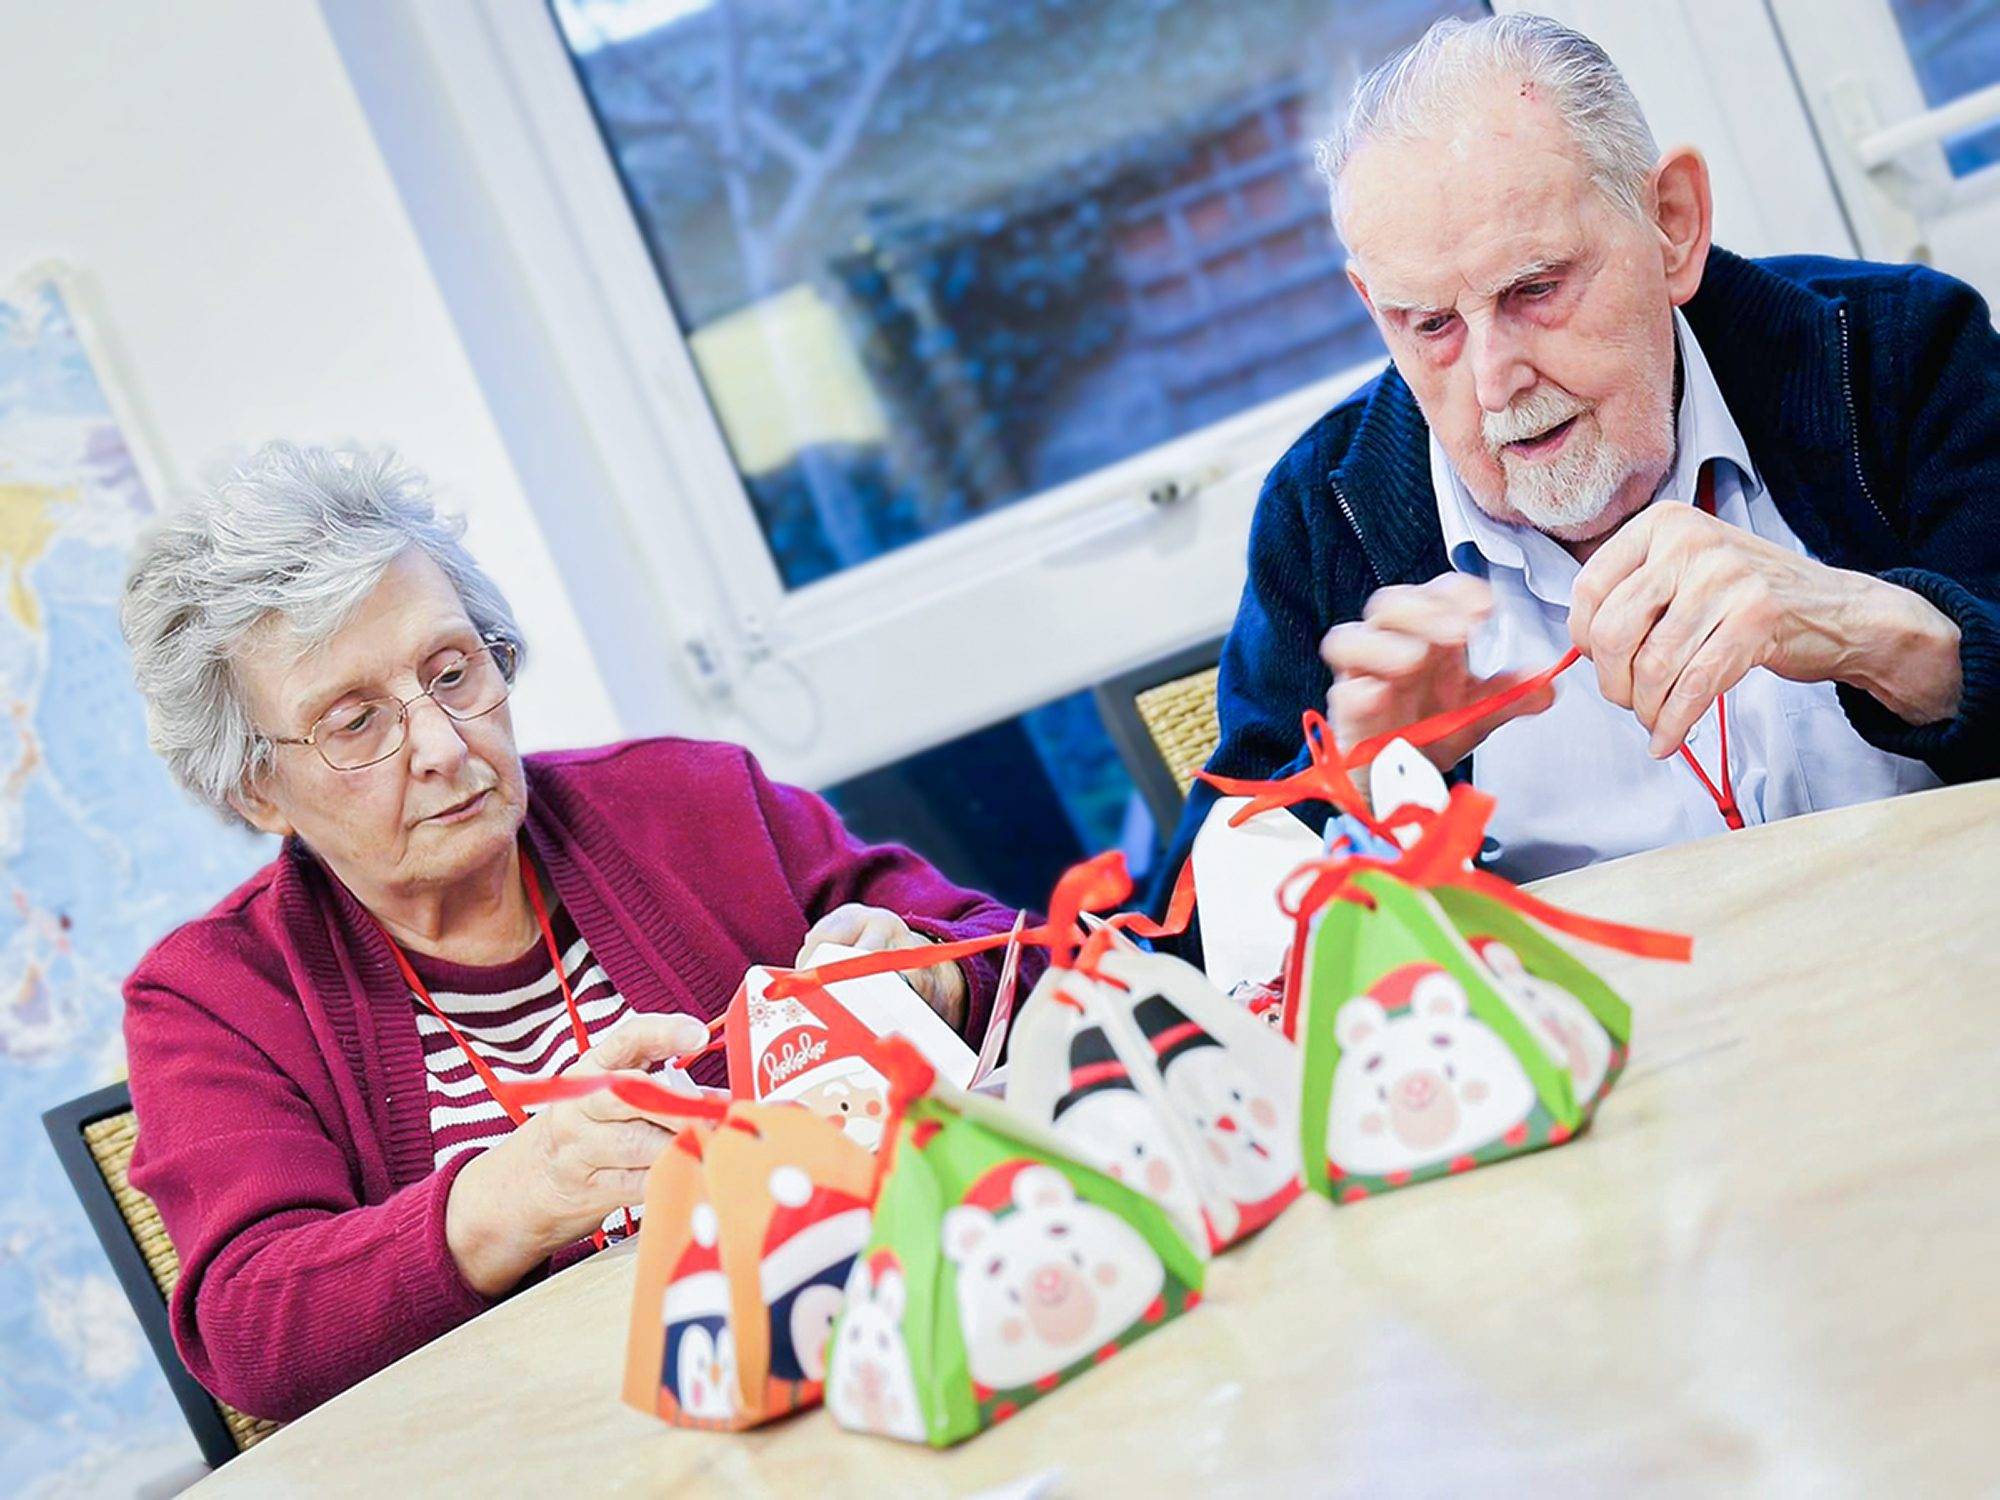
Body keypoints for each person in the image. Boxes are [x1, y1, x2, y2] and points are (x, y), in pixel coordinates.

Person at [119, 443, 1028, 1421]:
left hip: (878, 1357)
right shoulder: (214, 995)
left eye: (453, 670)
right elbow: (251, 1331)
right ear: (258, 789)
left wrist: (936, 987)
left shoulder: (690, 801)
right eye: (354, 723)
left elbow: (1034, 963)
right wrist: (526, 1189)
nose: (441, 743)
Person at [1166, 13, 1997, 893]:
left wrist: (1875, 634)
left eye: (1535, 289)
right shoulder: (1321, 514)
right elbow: (1191, 947)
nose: (1495, 381)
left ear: (1671, 225)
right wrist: (1363, 805)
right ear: (1376, 310)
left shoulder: (1892, 352)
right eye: (1431, 324)